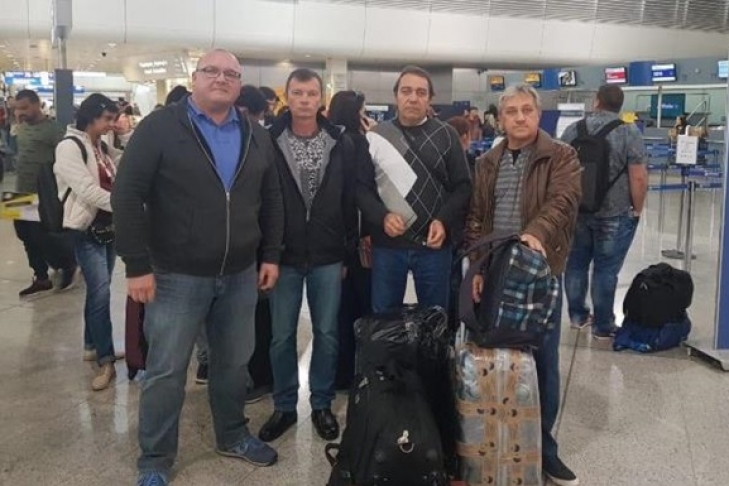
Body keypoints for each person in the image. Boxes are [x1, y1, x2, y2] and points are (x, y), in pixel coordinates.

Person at [112, 49, 284, 486]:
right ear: (195, 77)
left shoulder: (255, 133)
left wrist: (270, 254)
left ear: (240, 84)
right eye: (212, 71)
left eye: (231, 74)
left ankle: (232, 435)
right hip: (176, 275)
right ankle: (155, 459)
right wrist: (136, 264)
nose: (221, 79)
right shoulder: (160, 127)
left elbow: (272, 198)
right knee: (167, 370)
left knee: (233, 364)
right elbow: (127, 195)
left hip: (240, 273)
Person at [465, 85, 582, 486]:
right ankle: (491, 443)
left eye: (526, 110)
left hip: (539, 271)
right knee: (493, 355)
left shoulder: (561, 156)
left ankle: (545, 450)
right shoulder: (486, 162)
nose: (519, 117)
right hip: (495, 270)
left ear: (538, 113)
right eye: (511, 111)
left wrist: (536, 233)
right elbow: (476, 217)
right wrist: (477, 267)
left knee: (543, 359)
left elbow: (563, 201)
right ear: (500, 119)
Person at [259, 69, 357, 443]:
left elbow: (349, 199)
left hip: (328, 254)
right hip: (283, 255)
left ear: (321, 98)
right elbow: (262, 200)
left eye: (311, 93)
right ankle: (285, 405)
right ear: (288, 97)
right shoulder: (270, 140)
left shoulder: (340, 141)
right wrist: (266, 252)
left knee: (327, 333)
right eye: (297, 93)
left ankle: (321, 403)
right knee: (282, 335)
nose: (304, 99)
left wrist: (347, 251)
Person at [357, 65, 471, 314]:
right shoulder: (376, 136)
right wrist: (382, 217)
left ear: (429, 99)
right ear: (396, 95)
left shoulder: (447, 135)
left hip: (434, 247)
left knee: (435, 319)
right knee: (384, 320)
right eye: (406, 91)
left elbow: (463, 186)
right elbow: (361, 189)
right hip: (388, 246)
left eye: (421, 92)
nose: (413, 98)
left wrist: (443, 220)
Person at [561, 85, 648, 339]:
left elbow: (559, 170)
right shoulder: (629, 132)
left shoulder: (573, 130)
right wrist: (637, 209)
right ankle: (603, 325)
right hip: (613, 212)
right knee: (606, 269)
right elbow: (638, 177)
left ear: (596, 101)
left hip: (577, 210)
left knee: (575, 264)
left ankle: (577, 316)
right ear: (620, 105)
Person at [55, 93, 122, 390]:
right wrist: (123, 206)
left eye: (113, 119)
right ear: (90, 116)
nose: (111, 124)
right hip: (85, 229)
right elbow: (86, 189)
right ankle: (106, 359)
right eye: (107, 118)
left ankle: (90, 346)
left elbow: (127, 163)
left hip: (108, 228)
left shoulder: (102, 146)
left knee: (98, 291)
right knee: (101, 293)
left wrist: (124, 134)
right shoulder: (69, 147)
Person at [327, 89, 374, 390]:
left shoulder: (330, 143)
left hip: (335, 241)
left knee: (339, 312)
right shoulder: (361, 144)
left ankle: (340, 374)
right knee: (363, 308)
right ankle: (361, 372)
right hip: (361, 240)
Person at [11, 89, 77, 298]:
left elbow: (66, 158)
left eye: (24, 108)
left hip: (43, 193)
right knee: (24, 236)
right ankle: (40, 277)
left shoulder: (54, 130)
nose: (20, 112)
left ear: (37, 104)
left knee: (44, 236)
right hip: (19, 191)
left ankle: (68, 265)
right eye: (17, 109)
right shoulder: (20, 128)